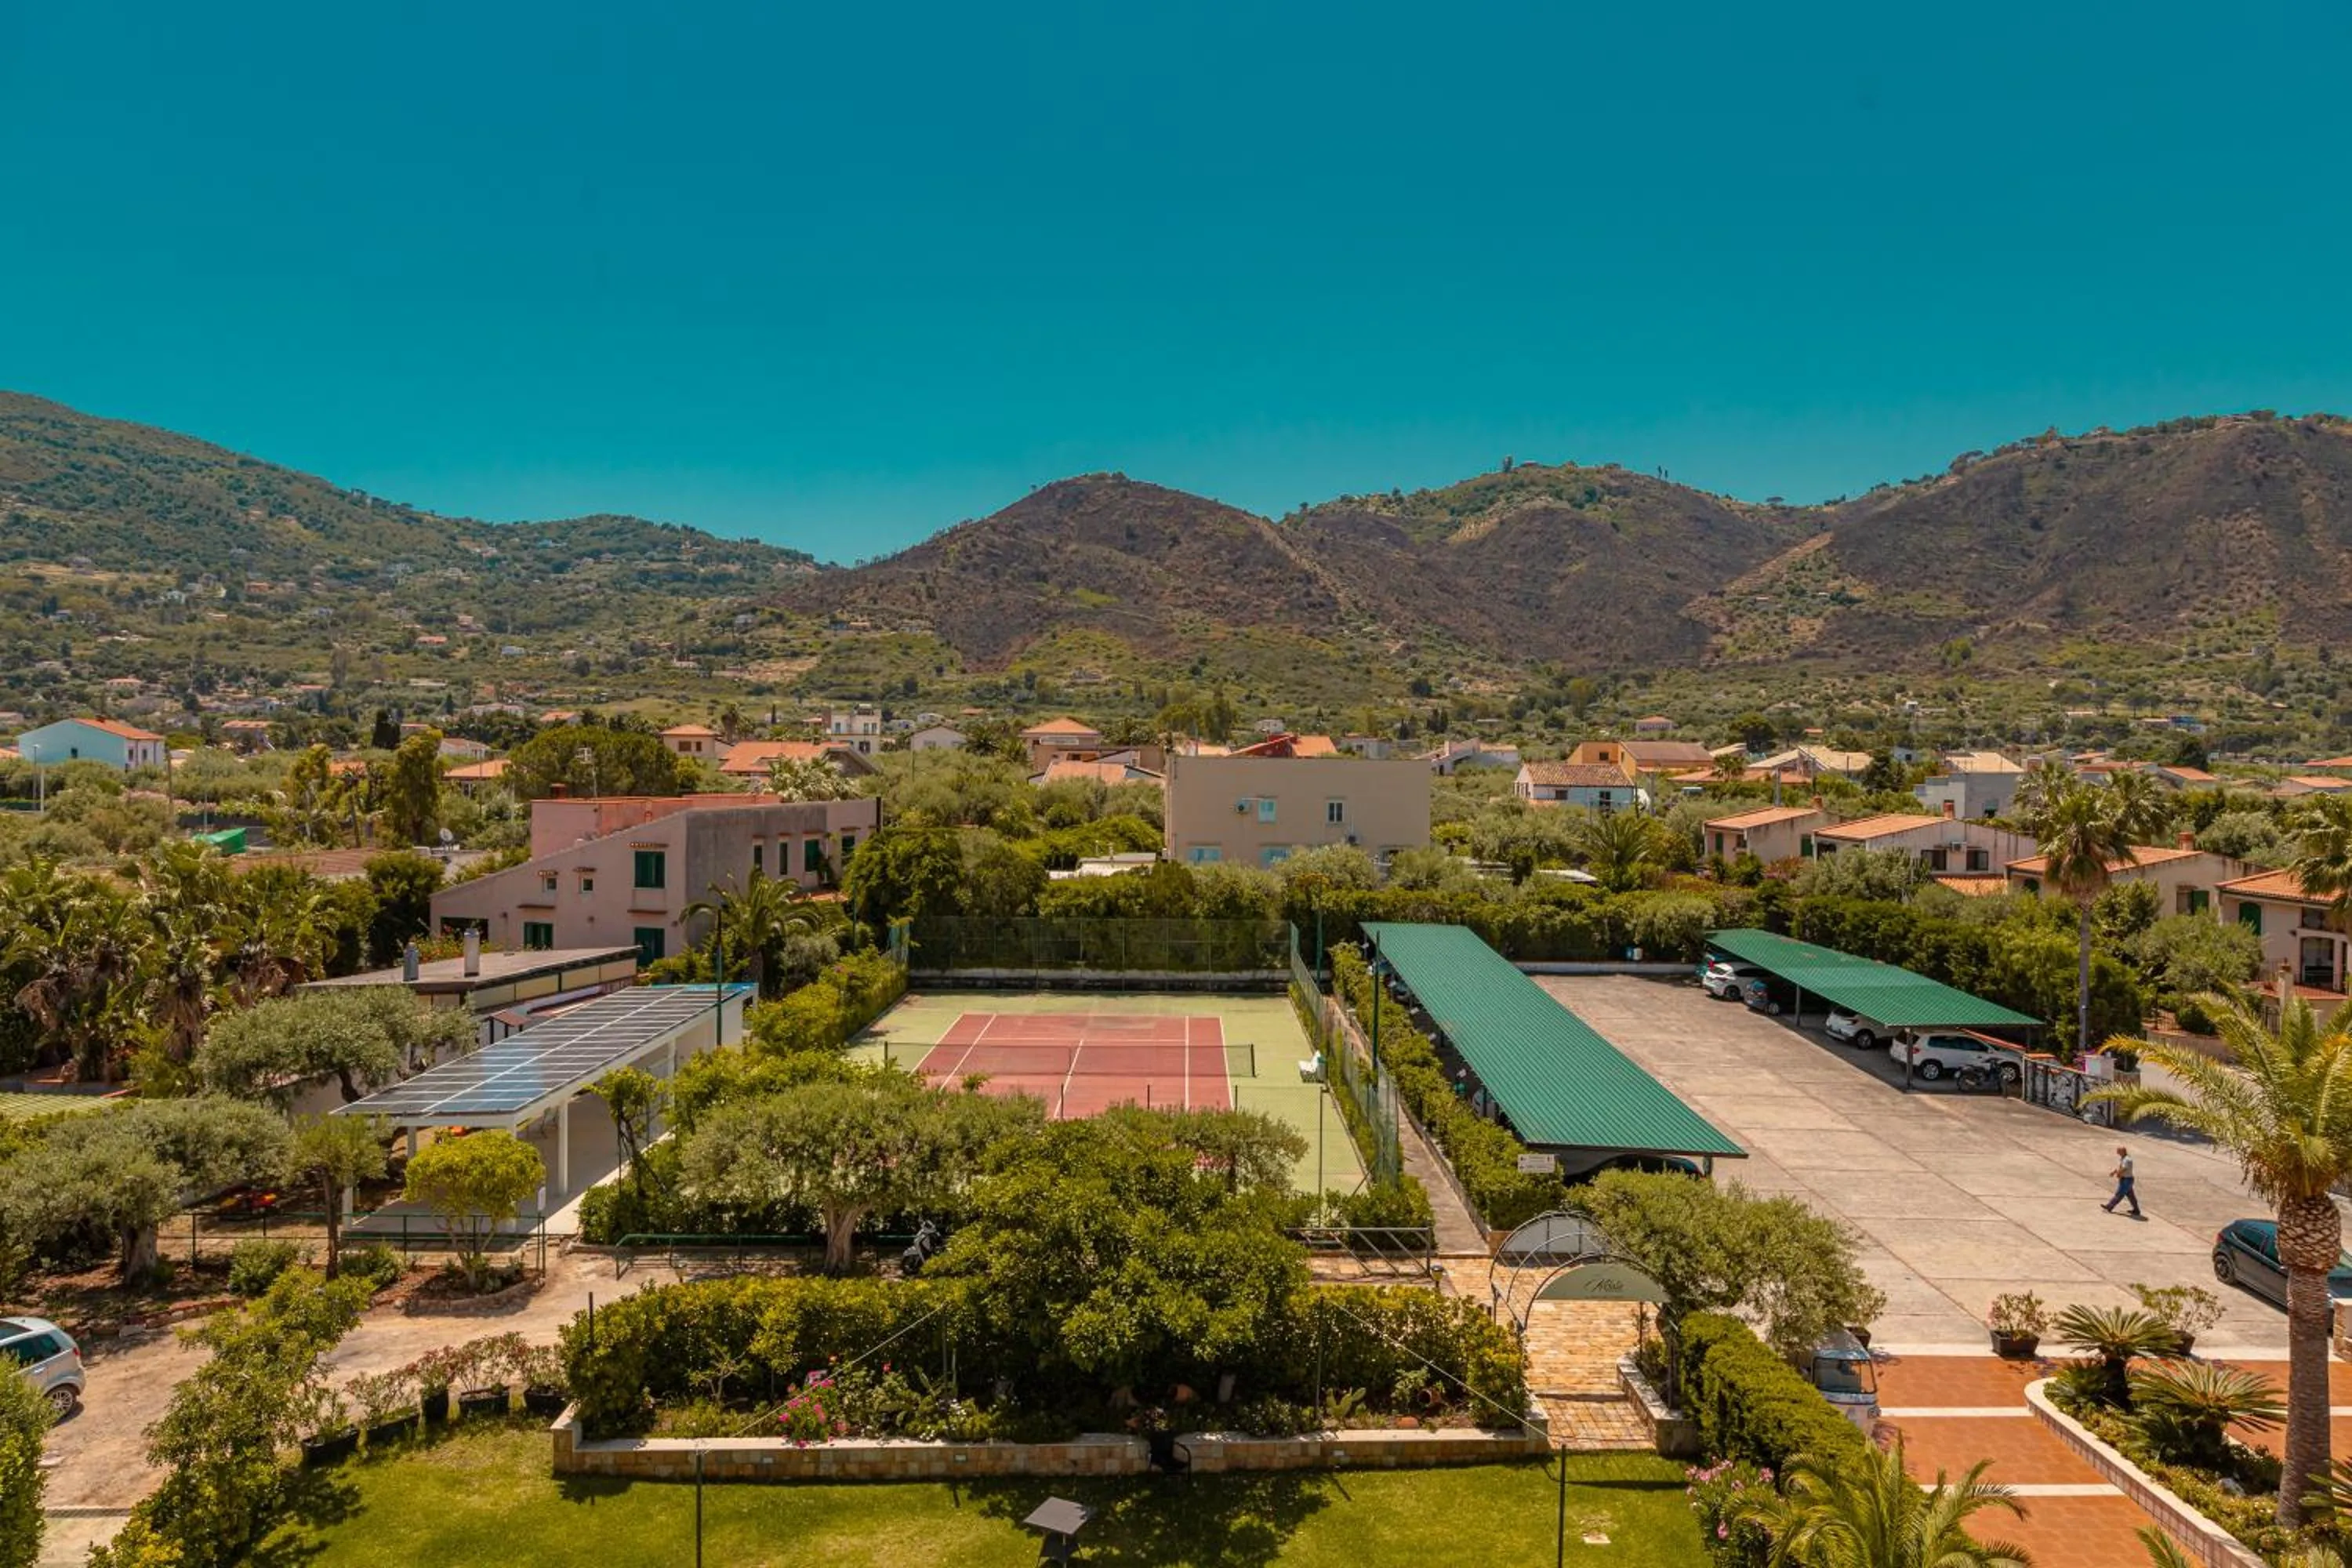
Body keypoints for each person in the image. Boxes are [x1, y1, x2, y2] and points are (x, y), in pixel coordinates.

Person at [2101, 1145, 2143, 1218]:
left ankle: (2109, 1207)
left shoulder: (2127, 1160)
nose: (2117, 1152)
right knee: (2131, 1196)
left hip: (2127, 1180)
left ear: (2123, 1151)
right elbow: (2120, 1167)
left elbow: (2124, 1168)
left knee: (2119, 1194)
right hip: (2127, 1180)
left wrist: (2118, 1174)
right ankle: (2136, 1210)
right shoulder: (2124, 1158)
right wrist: (2114, 1172)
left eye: (2118, 1151)